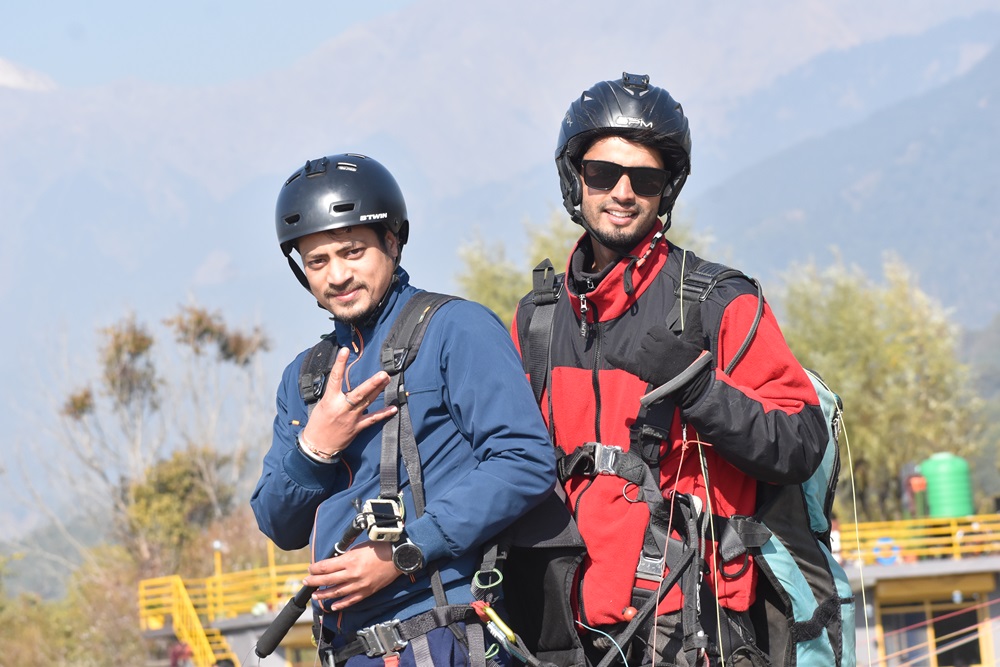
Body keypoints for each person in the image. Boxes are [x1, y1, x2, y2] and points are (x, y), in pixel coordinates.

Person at [511, 73, 830, 666]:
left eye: (646, 179)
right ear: (573, 179)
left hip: (691, 629)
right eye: (603, 174)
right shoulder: (537, 321)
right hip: (562, 630)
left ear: (667, 191)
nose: (623, 192)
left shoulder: (718, 302)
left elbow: (801, 442)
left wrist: (701, 388)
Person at [252, 153, 556, 666]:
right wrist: (315, 447)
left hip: (445, 639)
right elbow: (278, 524)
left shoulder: (455, 330)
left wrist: (403, 551)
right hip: (350, 652)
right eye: (317, 261)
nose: (338, 275)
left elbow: (525, 461)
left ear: (392, 242)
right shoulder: (303, 377)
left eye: (352, 252)